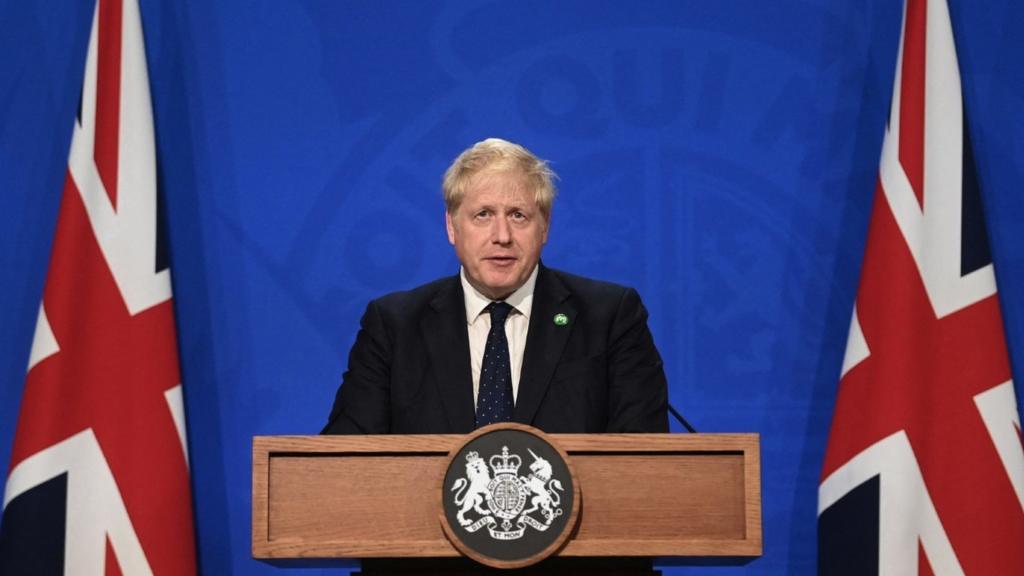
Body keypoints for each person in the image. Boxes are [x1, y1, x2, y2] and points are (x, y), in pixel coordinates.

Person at [323, 138, 668, 435]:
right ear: (452, 227)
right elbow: (343, 460)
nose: (501, 237)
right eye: (483, 215)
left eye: (518, 215)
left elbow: (643, 457)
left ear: (545, 226)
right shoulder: (394, 327)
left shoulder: (609, 318)